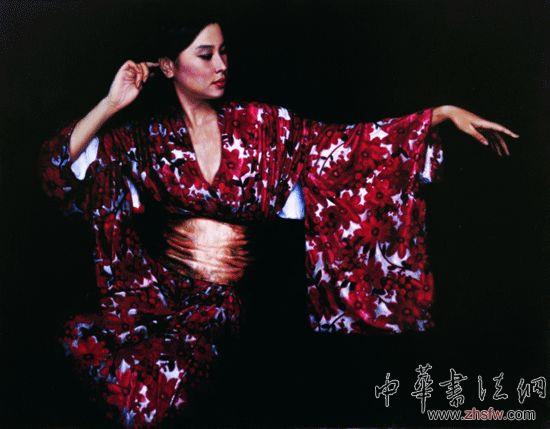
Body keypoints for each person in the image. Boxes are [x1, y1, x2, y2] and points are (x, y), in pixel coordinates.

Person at [39, 17, 518, 428]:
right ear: (168, 66)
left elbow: (346, 149)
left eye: (224, 52)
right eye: (205, 55)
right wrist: (111, 104)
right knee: (108, 365)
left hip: (245, 302)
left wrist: (439, 115)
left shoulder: (261, 126)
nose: (221, 65)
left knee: (191, 387)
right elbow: (59, 172)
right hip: (163, 298)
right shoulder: (146, 139)